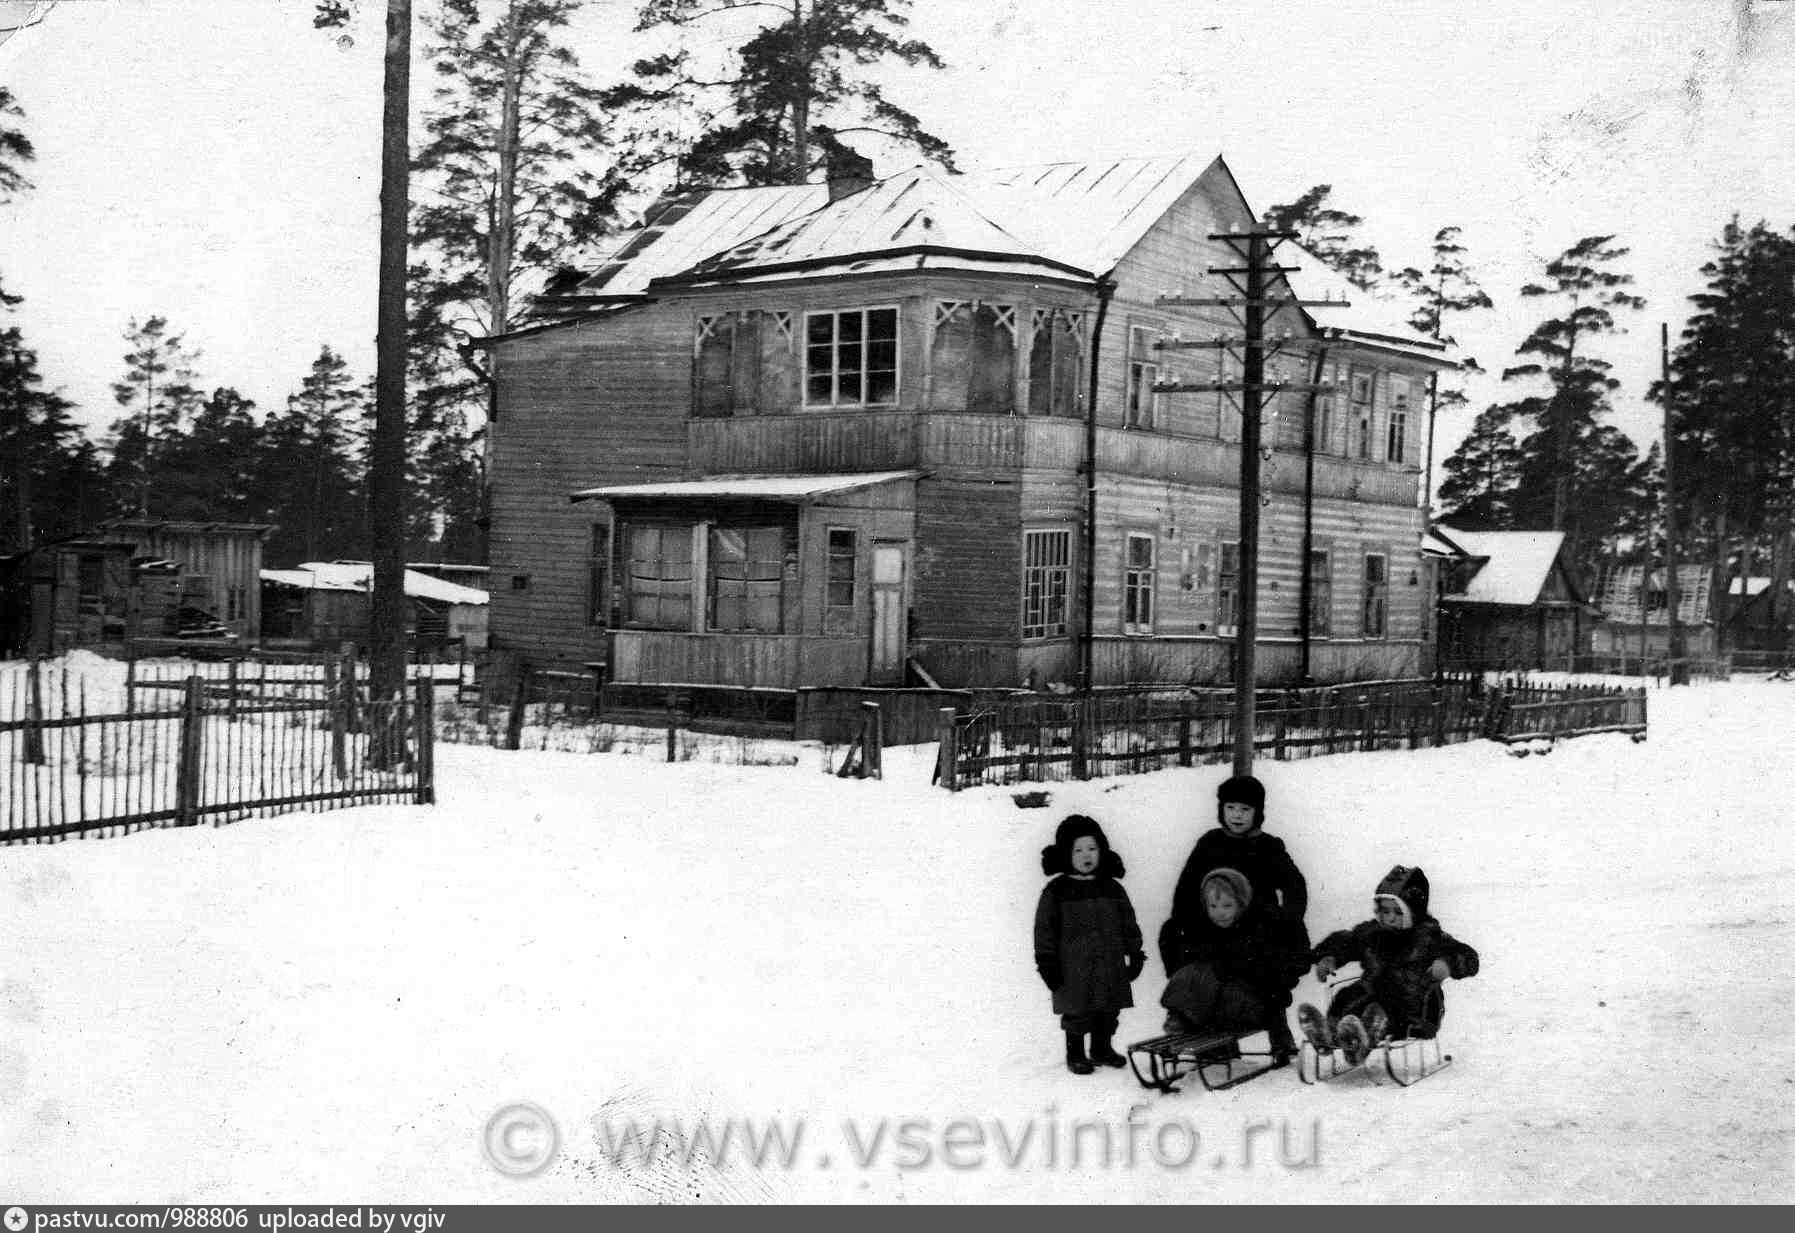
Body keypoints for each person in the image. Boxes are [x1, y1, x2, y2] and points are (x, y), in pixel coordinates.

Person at [1159, 774, 1309, 1055]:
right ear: (1221, 810)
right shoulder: (1210, 843)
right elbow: (1187, 885)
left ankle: (1278, 1029)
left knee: (1262, 973)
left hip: (1257, 926)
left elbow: (1294, 884)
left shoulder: (1267, 846)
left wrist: (1288, 918)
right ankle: (1194, 1019)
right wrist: (1184, 919)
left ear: (1257, 813)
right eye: (1230, 808)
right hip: (1214, 921)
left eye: (1245, 809)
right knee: (1198, 963)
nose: (1237, 816)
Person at [1298, 864, 1480, 1064]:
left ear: (1414, 911)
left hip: (1414, 1011)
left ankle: (1359, 1042)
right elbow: (1346, 941)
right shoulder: (1372, 933)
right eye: (1384, 911)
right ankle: (1330, 1034)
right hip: (1370, 998)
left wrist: (1448, 963)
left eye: (1398, 912)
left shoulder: (1429, 937)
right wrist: (1329, 956)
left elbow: (1467, 955)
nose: (1389, 917)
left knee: (1381, 1008)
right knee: (1347, 996)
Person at [1034, 815, 1146, 1075]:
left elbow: (1129, 923)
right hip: (1073, 968)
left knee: (1109, 1008)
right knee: (1077, 1012)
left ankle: (1101, 1048)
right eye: (1078, 849)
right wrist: (1046, 962)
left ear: (1102, 850)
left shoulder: (1112, 888)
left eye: (1092, 848)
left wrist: (1135, 952)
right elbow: (1044, 930)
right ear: (1066, 854)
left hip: (1109, 963)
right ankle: (1075, 1053)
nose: (1087, 855)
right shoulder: (1056, 891)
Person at [1158, 867, 1309, 1058]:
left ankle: (1206, 1033)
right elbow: (1174, 941)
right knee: (1194, 972)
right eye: (1213, 907)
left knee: (1216, 978)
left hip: (1254, 1006)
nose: (1219, 913)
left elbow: (1279, 975)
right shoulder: (1206, 929)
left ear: (1241, 904)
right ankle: (1182, 1020)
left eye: (1227, 906)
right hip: (1217, 1007)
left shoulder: (1260, 929)